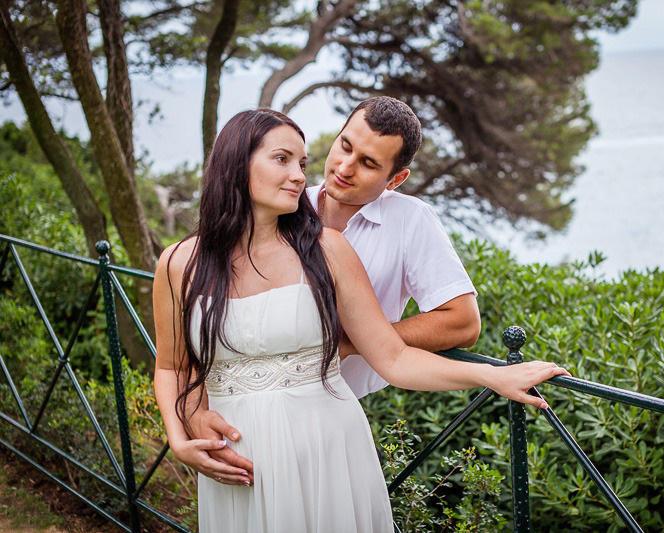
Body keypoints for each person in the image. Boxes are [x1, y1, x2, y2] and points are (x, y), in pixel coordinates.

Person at [152, 108, 570, 532]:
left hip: (326, 444)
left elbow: (394, 357)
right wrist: (181, 434)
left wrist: (492, 377)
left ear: (394, 178)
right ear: (236, 161)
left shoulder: (326, 249)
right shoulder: (177, 263)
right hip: (237, 456)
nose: (301, 175)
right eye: (283, 160)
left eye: (301, 163)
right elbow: (172, 366)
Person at [186, 97, 482, 483]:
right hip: (244, 416)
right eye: (345, 146)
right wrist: (194, 413)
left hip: (347, 413)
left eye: (368, 163)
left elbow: (463, 323)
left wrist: (352, 340)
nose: (344, 168)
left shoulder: (412, 221)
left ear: (396, 179)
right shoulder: (285, 201)